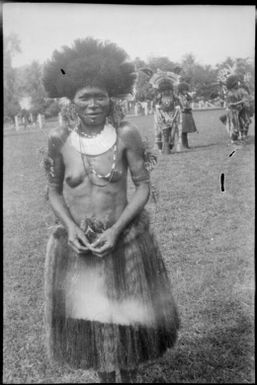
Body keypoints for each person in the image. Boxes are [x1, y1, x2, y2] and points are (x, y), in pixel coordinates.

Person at [42, 37, 179, 383]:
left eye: (99, 95)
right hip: (81, 246)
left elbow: (143, 186)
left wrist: (116, 230)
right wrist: (71, 229)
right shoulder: (59, 140)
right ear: (71, 99)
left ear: (111, 96)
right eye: (84, 96)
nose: (92, 104)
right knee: (95, 323)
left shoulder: (126, 134)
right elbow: (54, 192)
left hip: (125, 242)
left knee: (128, 321)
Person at [153, 80, 181, 154]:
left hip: (172, 114)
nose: (166, 91)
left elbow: (178, 101)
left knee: (173, 129)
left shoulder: (173, 95)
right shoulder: (160, 96)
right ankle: (160, 147)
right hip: (162, 114)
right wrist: (157, 107)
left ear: (170, 89)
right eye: (164, 90)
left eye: (168, 90)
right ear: (162, 90)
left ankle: (171, 143)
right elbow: (155, 103)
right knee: (160, 131)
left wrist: (178, 106)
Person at [223, 75, 251, 144]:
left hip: (239, 110)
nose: (238, 84)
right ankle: (234, 140)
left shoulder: (240, 90)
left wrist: (237, 103)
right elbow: (229, 104)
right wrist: (236, 103)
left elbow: (246, 98)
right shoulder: (229, 93)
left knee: (245, 123)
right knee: (236, 128)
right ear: (233, 85)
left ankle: (242, 137)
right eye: (236, 83)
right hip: (232, 111)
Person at [177, 82, 198, 149]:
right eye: (185, 90)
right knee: (184, 131)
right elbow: (184, 104)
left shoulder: (185, 96)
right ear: (181, 90)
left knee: (185, 131)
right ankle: (185, 145)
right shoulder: (180, 97)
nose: (186, 91)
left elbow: (190, 99)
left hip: (186, 113)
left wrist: (188, 96)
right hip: (183, 113)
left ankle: (186, 144)